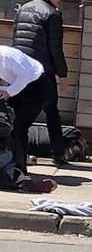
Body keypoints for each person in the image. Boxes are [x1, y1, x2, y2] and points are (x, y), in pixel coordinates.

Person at [12, 0, 69, 166]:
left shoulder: (22, 9)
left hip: (20, 69)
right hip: (42, 72)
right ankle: (59, 153)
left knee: (19, 115)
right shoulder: (53, 15)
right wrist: (63, 74)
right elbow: (55, 49)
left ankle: (18, 155)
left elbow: (16, 40)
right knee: (51, 111)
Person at [0, 48, 56, 193]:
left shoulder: (7, 56)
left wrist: (8, 92)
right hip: (24, 87)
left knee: (19, 126)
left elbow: (24, 76)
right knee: (10, 122)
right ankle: (16, 171)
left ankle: (19, 168)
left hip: (39, 86)